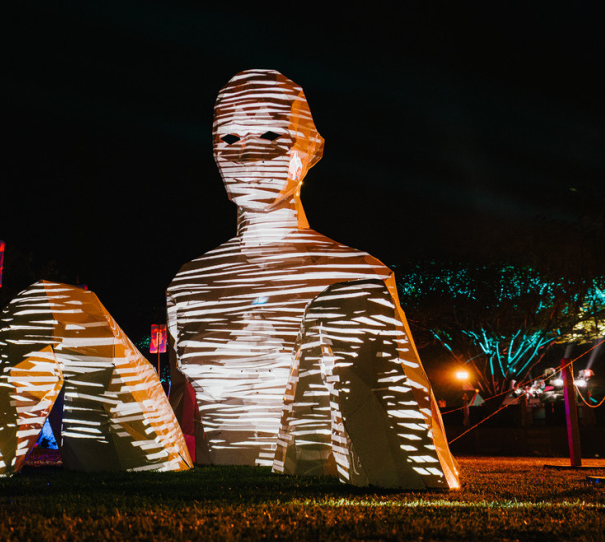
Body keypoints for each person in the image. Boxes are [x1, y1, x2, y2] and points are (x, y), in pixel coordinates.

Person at [166, 70, 458, 488]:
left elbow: (406, 405)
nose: (248, 155)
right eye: (229, 138)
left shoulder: (361, 277)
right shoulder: (188, 285)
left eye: (269, 134)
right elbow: (181, 404)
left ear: (310, 149)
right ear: (213, 153)